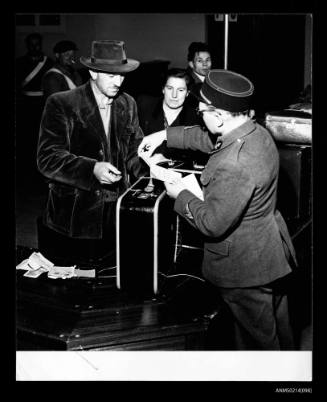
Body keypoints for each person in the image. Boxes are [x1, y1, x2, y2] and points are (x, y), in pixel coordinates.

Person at [138, 69, 298, 350]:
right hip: (270, 250)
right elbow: (208, 139)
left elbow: (213, 224)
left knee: (257, 346)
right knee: (278, 328)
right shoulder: (254, 131)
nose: (199, 116)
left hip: (245, 267)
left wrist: (181, 194)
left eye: (202, 113)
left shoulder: (235, 162)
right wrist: (164, 133)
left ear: (221, 116)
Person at [37, 40, 147, 265]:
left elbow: (134, 150)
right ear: (93, 72)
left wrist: (150, 168)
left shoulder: (128, 104)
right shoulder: (62, 103)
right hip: (74, 216)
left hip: (116, 212)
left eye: (122, 75)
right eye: (111, 75)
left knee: (110, 277)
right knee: (72, 282)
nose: (118, 82)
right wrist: (92, 168)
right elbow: (47, 158)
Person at [137, 68, 204, 162]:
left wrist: (168, 162)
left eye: (180, 90)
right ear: (163, 89)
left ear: (187, 93)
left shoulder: (196, 118)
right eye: (170, 88)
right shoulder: (143, 106)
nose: (174, 95)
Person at [16, 33, 54, 185]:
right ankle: (25, 172)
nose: (34, 47)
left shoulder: (49, 63)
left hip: (42, 104)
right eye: (31, 44)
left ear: (41, 44)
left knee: (42, 138)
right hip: (25, 106)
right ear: (27, 45)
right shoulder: (19, 63)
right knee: (25, 139)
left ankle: (41, 170)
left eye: (37, 44)